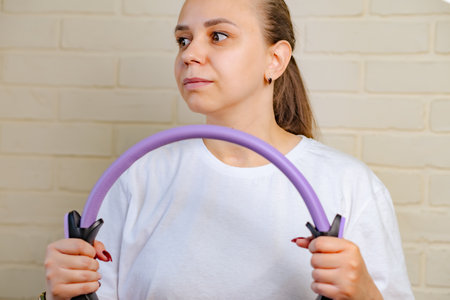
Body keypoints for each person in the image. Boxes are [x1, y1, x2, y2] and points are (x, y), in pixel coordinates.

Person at [43, 0, 414, 299]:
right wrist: (65, 293)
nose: (190, 55)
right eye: (183, 40)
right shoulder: (139, 177)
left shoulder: (350, 185)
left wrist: (365, 294)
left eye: (218, 36)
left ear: (276, 60)